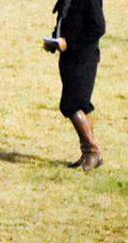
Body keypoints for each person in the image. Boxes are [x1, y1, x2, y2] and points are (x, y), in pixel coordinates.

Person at [44, 0, 106, 172]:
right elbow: (65, 19)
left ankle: (92, 151)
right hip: (69, 59)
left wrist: (70, 43)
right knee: (83, 105)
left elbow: (98, 28)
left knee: (70, 105)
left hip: (83, 59)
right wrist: (54, 40)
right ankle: (89, 155)